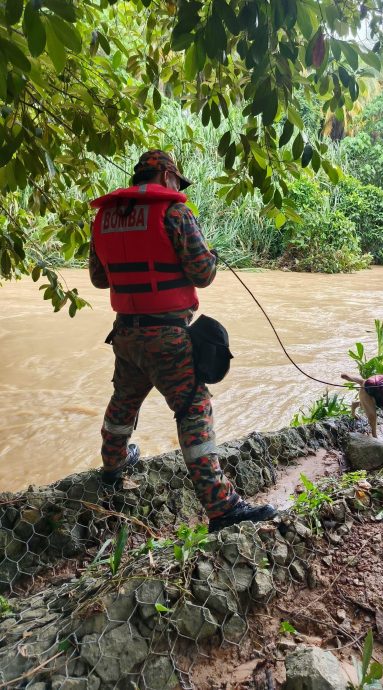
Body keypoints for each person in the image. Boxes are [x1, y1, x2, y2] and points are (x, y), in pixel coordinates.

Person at [89, 150, 276, 533]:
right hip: (168, 335)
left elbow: (98, 279)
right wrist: (212, 256)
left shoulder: (104, 217)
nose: (179, 187)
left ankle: (113, 466)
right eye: (178, 181)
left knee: (123, 403)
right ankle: (222, 508)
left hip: (125, 333)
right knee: (194, 411)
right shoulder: (174, 213)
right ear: (168, 175)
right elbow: (203, 273)